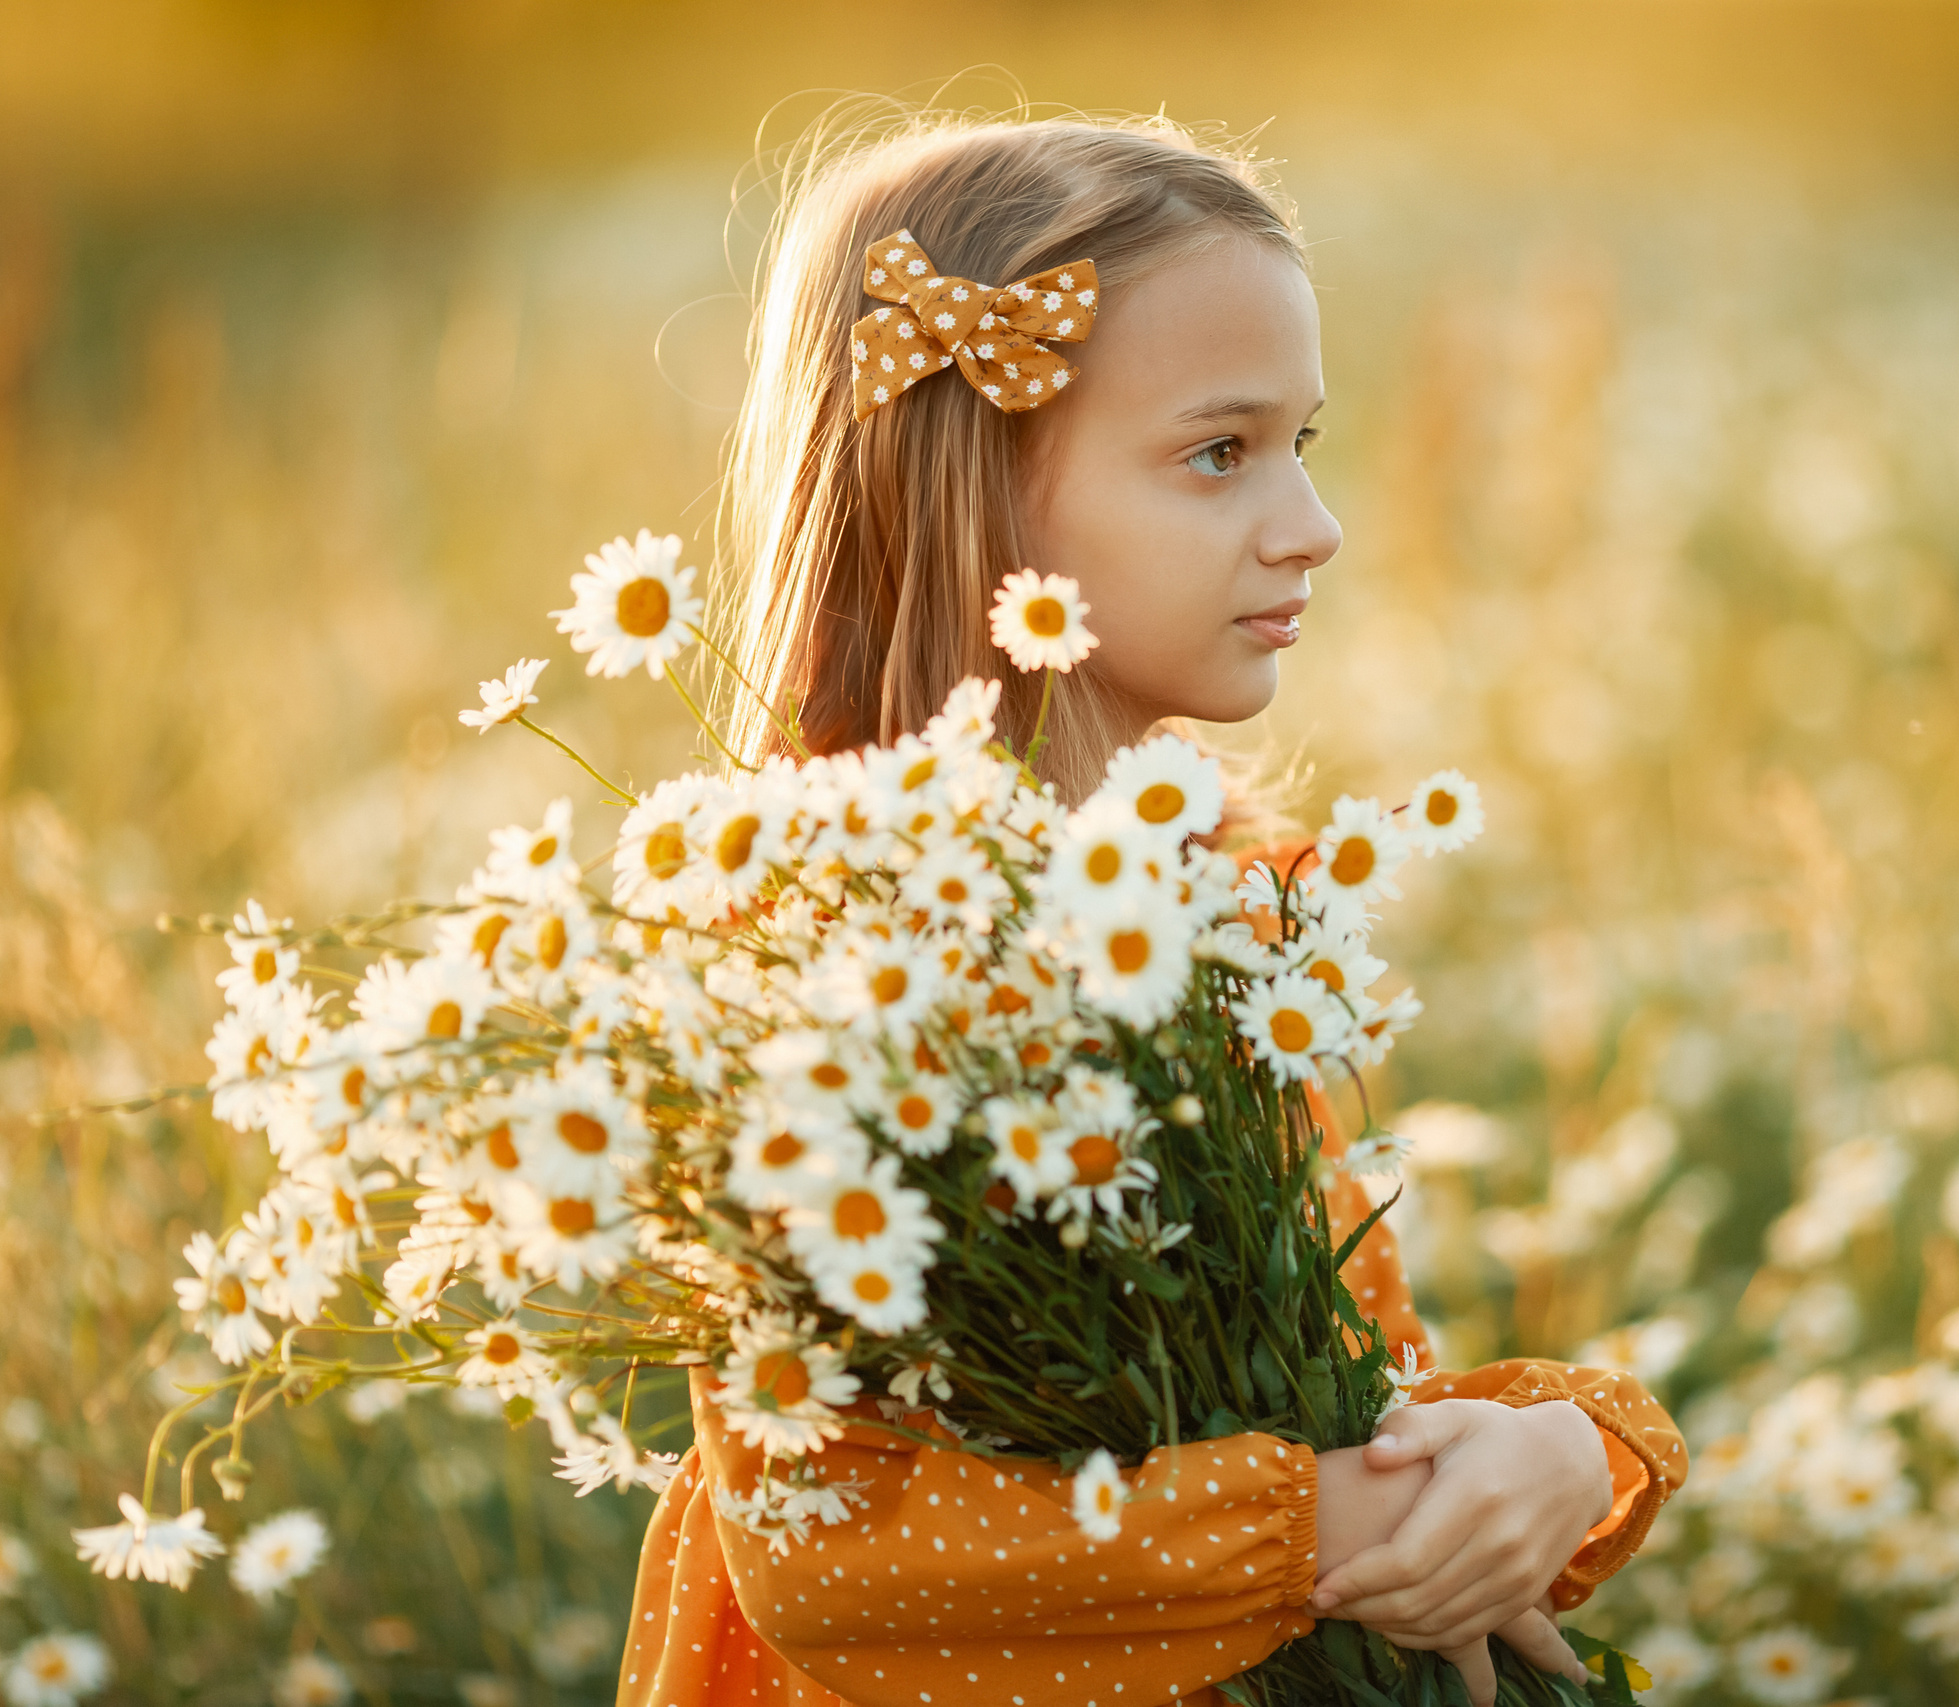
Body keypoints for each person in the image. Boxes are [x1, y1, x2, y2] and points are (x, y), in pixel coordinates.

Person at [618, 106, 1687, 1707]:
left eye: (1301, 445)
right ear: (976, 490)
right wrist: (1310, 1532)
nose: (1313, 527)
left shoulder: (1229, 905)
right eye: (1218, 452)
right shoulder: (804, 955)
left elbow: (1343, 1386)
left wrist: (1546, 1457)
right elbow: (830, 1557)